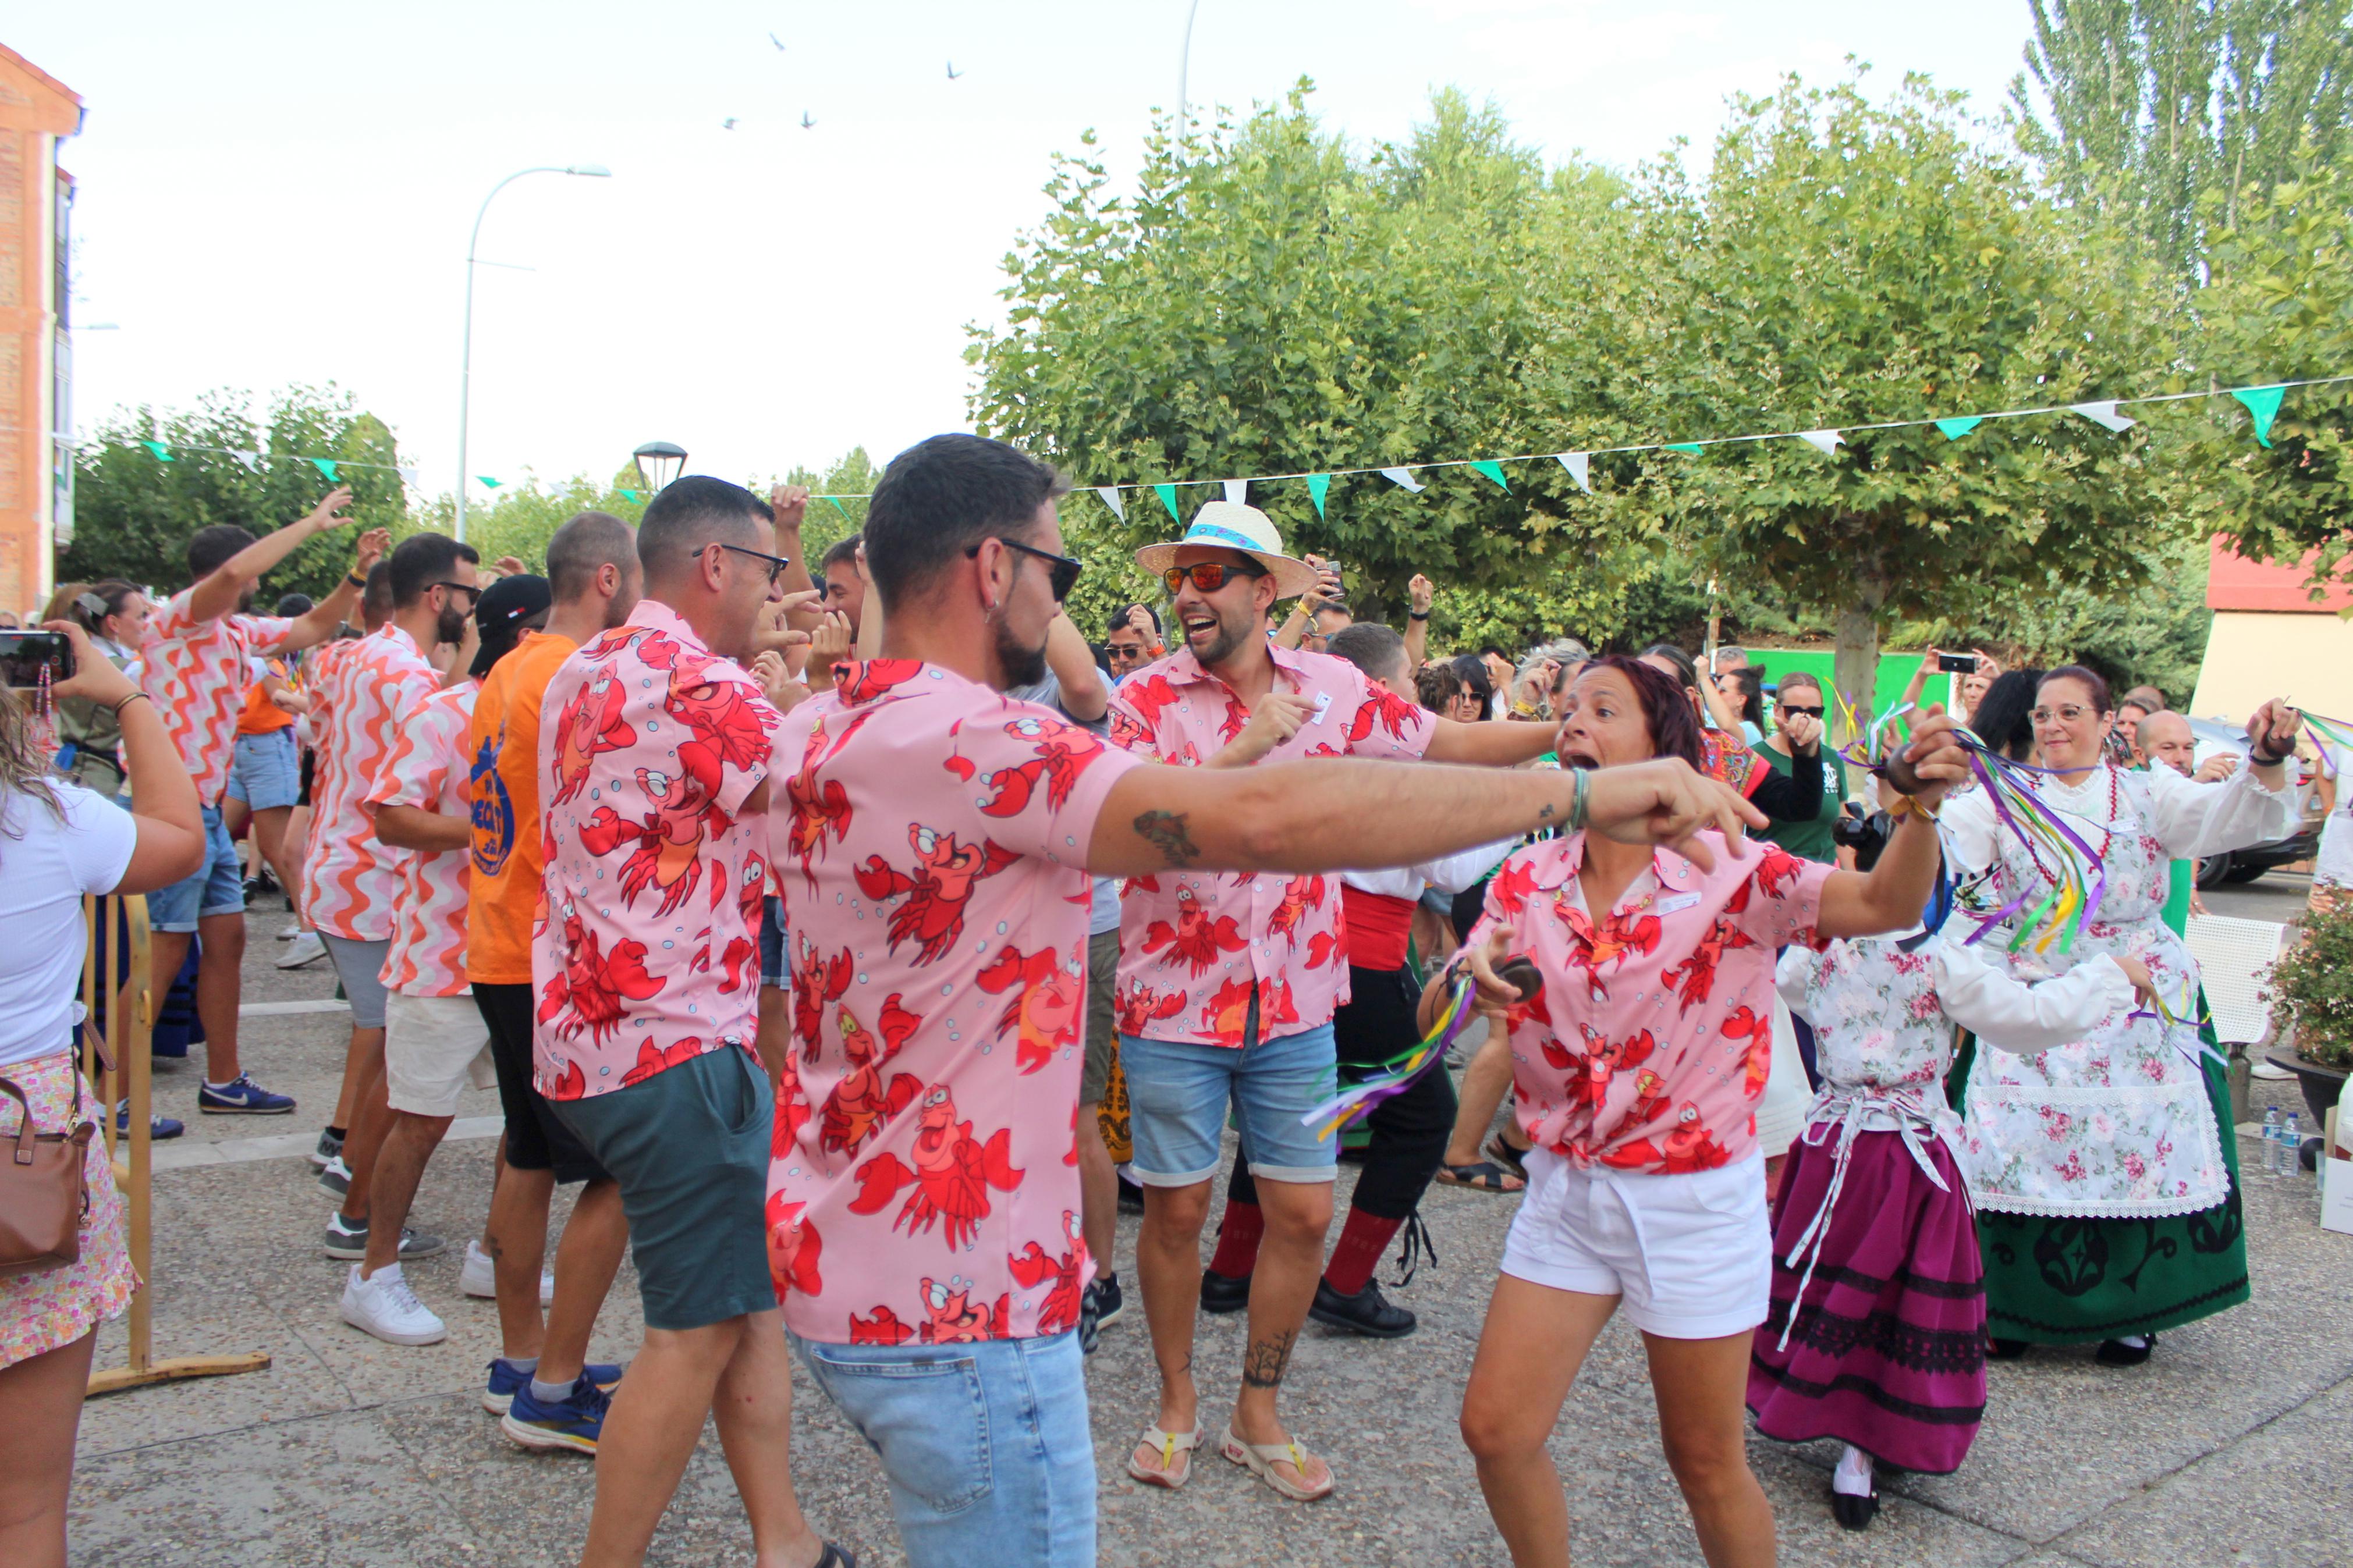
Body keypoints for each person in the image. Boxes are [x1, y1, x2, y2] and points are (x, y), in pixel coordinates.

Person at [762, 432, 1760, 1564]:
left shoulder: (817, 723)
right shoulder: (986, 741)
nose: (1063, 601)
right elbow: (1271, 819)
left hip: (846, 1251)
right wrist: (1585, 793)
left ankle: (1254, 1409)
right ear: (994, 571)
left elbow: (1423, 749)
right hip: (964, 1293)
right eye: (1060, 571)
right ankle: (1187, 1402)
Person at [1442, 654, 1971, 1568]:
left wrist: (1915, 810)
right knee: (1494, 1428)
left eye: (1601, 707)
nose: (1572, 720)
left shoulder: (1732, 869)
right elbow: (1437, 1009)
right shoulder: (1524, 879)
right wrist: (1467, 979)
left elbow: (1885, 901)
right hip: (1565, 1192)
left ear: (1664, 747)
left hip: (1692, 1204)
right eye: (1565, 706)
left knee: (1702, 1458)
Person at [1109, 501, 1575, 1505]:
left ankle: (1258, 1411)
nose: (1186, 596)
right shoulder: (1142, 696)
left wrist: (1571, 740)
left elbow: (1443, 745)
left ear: (1260, 590)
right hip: (1173, 1008)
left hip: (1294, 1003)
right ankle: (1177, 1401)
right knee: (1177, 1212)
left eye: (1208, 578)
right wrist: (1243, 750)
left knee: (1301, 1212)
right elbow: (1138, 825)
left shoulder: (1333, 686)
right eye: (1178, 578)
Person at [534, 478, 844, 1568]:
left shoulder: (583, 666)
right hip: (673, 1043)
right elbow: (830, 801)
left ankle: (785, 1538)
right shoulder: (697, 682)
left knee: (740, 1302)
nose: (773, 592)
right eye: (766, 570)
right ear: (715, 565)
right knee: (691, 1333)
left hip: (595, 1030)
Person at [1749, 787, 2152, 1530]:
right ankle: (1865, 1448)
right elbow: (2028, 1022)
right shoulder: (1940, 964)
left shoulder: (1817, 955)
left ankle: (1835, 1427)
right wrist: (2108, 974)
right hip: (1903, 1158)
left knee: (1838, 1288)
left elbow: (1783, 999)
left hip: (1833, 1143)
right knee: (1898, 1296)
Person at [1944, 667, 2302, 1365]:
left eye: (2069, 712)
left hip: (2135, 991)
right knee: (2015, 1141)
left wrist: (2264, 758)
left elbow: (2226, 814)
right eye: (2042, 715)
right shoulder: (2000, 798)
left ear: (2110, 722)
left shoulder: (2147, 792)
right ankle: (2012, 1305)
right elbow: (1958, 870)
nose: (2052, 727)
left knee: (2136, 1143)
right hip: (2036, 986)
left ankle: (2133, 1309)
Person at [1197, 620, 1517, 1339]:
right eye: (1406, 677)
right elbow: (1450, 870)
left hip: (1298, 952)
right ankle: (1343, 1282)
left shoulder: (1307, 738)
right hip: (1361, 959)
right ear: (1374, 685)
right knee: (1422, 1116)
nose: (1414, 689)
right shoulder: (1383, 750)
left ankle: (1230, 1269)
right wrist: (1513, 811)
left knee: (1294, 1107)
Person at [0, 618, 204, 1568]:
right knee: (24, 1511)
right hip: (24, 1156)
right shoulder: (44, 819)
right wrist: (124, 698)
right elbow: (178, 839)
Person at [464, 513, 638, 1450]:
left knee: (527, 1152)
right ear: (608, 580)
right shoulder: (574, 675)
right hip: (544, 948)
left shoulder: (507, 666)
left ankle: (521, 1356)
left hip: (495, 934)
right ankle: (557, 1387)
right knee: (619, 1167)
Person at [335, 575, 546, 1346]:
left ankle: (494, 1254)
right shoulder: (446, 711)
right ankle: (373, 1272)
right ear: (526, 635)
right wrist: (484, 833)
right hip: (441, 957)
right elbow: (390, 814)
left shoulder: (554, 709)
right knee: (418, 1121)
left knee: (525, 1124)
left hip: (522, 956)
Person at [140, 490, 387, 1118]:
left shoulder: (234, 631)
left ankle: (223, 1080)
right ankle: (109, 1094)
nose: (254, 583)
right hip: (172, 813)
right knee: (164, 953)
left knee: (225, 943)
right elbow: (232, 575)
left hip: (204, 811)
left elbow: (311, 627)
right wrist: (309, 522)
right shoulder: (177, 619)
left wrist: (355, 574)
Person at [308, 534, 480, 1264]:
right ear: (438, 597)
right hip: (377, 878)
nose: (473, 611)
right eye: (469, 596)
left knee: (387, 1050)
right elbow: (428, 758)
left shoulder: (353, 653)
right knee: (396, 1061)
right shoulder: (414, 679)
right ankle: (357, 1207)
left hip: (338, 865)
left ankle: (347, 1167)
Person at [1641, 644, 1825, 825]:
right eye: (1634, 681)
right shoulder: (1614, 747)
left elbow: (1799, 807)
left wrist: (1806, 754)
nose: (1642, 690)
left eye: (1656, 682)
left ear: (1686, 695)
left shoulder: (1722, 751)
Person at [47, 580, 148, 802]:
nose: (146, 624)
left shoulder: (72, 661)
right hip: (102, 780)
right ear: (113, 623)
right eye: (141, 616)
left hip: (64, 768)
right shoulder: (131, 670)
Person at [1754, 672, 1843, 862]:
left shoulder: (1830, 758)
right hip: (1771, 878)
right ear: (1777, 711)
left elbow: (1841, 827)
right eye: (1794, 711)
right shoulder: (1754, 758)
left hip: (1824, 875)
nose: (1804, 720)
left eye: (1814, 713)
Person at [1105, 603, 1162, 684]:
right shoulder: (1115, 688)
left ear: (1157, 641)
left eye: (1130, 650)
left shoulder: (1179, 680)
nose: (1122, 659)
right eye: (1114, 651)